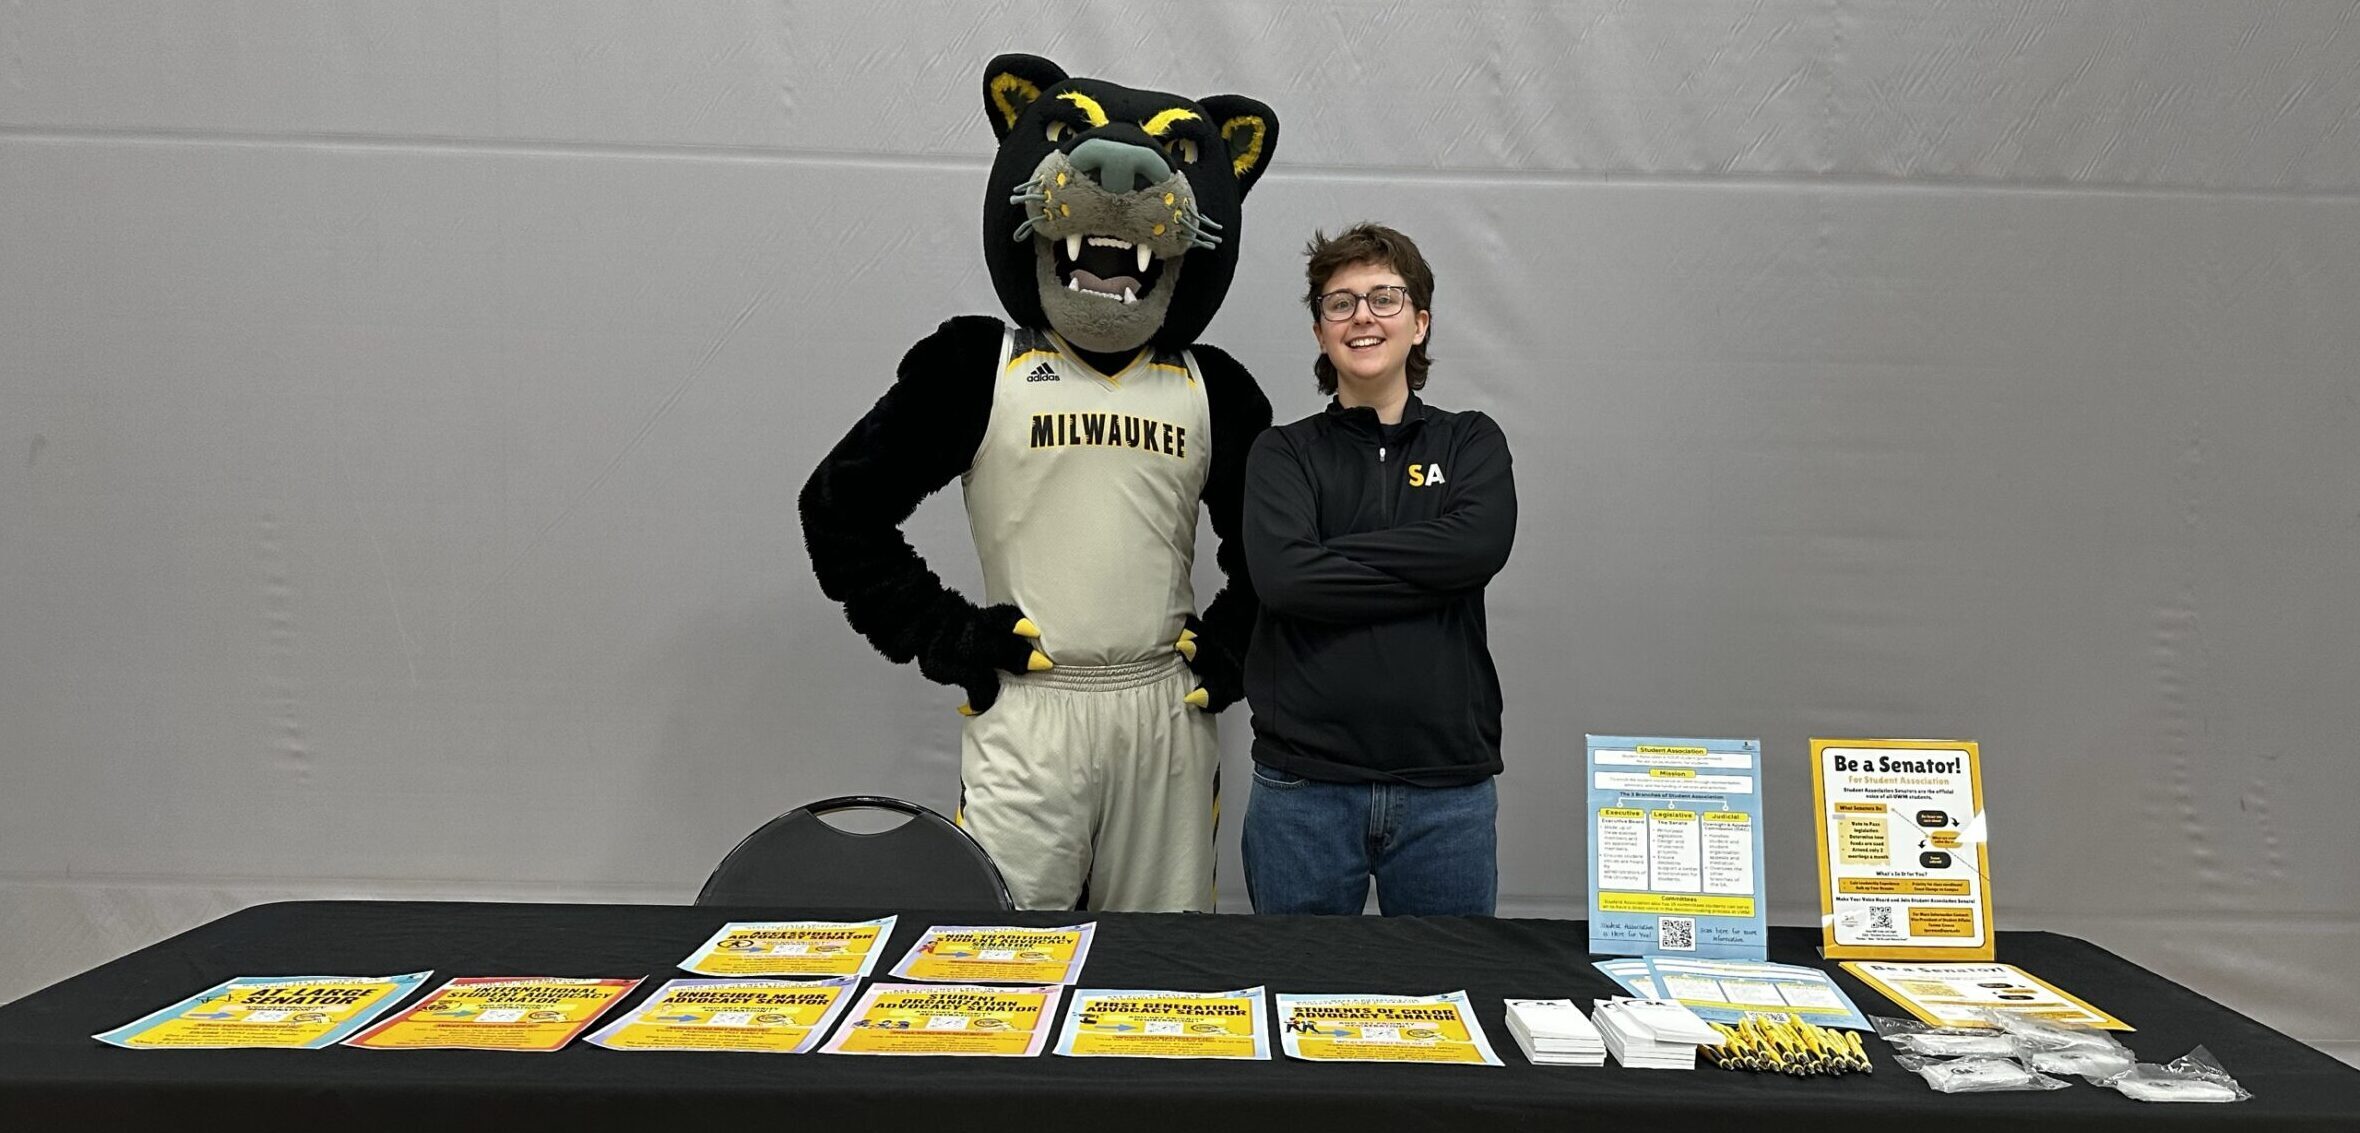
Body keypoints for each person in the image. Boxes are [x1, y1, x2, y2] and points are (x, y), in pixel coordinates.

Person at [1239, 222, 1518, 916]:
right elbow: (1284, 579)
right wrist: (1429, 556)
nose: (1363, 315)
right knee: (1297, 998)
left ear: (1419, 323)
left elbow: (1478, 547)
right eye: (1341, 302)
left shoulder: (1472, 440)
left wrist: (1331, 555)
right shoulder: (1283, 454)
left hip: (1445, 792)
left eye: (1385, 298)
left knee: (1447, 1004)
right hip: (1303, 790)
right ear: (1319, 331)